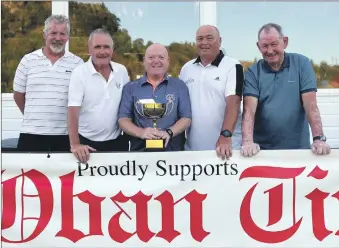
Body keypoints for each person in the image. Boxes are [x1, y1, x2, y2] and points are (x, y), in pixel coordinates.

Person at [241, 23, 331, 157]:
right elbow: (249, 111)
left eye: (274, 44)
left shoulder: (302, 63)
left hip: (298, 150)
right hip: (262, 152)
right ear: (258, 46)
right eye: (265, 46)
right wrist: (247, 142)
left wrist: (318, 139)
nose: (270, 51)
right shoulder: (253, 72)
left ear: (285, 42)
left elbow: (311, 106)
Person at [13, 15, 83, 152]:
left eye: (62, 34)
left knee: (65, 174)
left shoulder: (78, 64)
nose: (58, 38)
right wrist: (34, 116)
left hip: (65, 137)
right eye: (53, 33)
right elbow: (18, 95)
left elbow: (82, 100)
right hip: (31, 135)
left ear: (68, 37)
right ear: (45, 35)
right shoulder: (27, 61)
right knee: (28, 173)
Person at [179, 25, 244, 160]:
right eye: (200, 39)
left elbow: (234, 103)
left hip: (226, 149)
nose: (204, 43)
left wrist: (226, 135)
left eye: (209, 38)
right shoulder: (186, 68)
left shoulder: (233, 65)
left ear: (219, 40)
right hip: (192, 151)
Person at [68, 29, 130, 163]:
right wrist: (75, 144)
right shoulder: (79, 73)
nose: (103, 51)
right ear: (89, 49)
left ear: (112, 50)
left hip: (117, 142)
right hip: (87, 144)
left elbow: (128, 105)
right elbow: (73, 111)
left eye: (107, 47)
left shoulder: (122, 71)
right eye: (97, 47)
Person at [118, 43, 192, 152]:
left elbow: (186, 118)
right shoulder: (130, 88)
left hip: (174, 155)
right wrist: (141, 133)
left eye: (161, 57)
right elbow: (123, 120)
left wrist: (169, 132)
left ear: (168, 60)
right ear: (144, 60)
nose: (156, 61)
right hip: (139, 155)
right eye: (151, 57)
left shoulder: (179, 86)